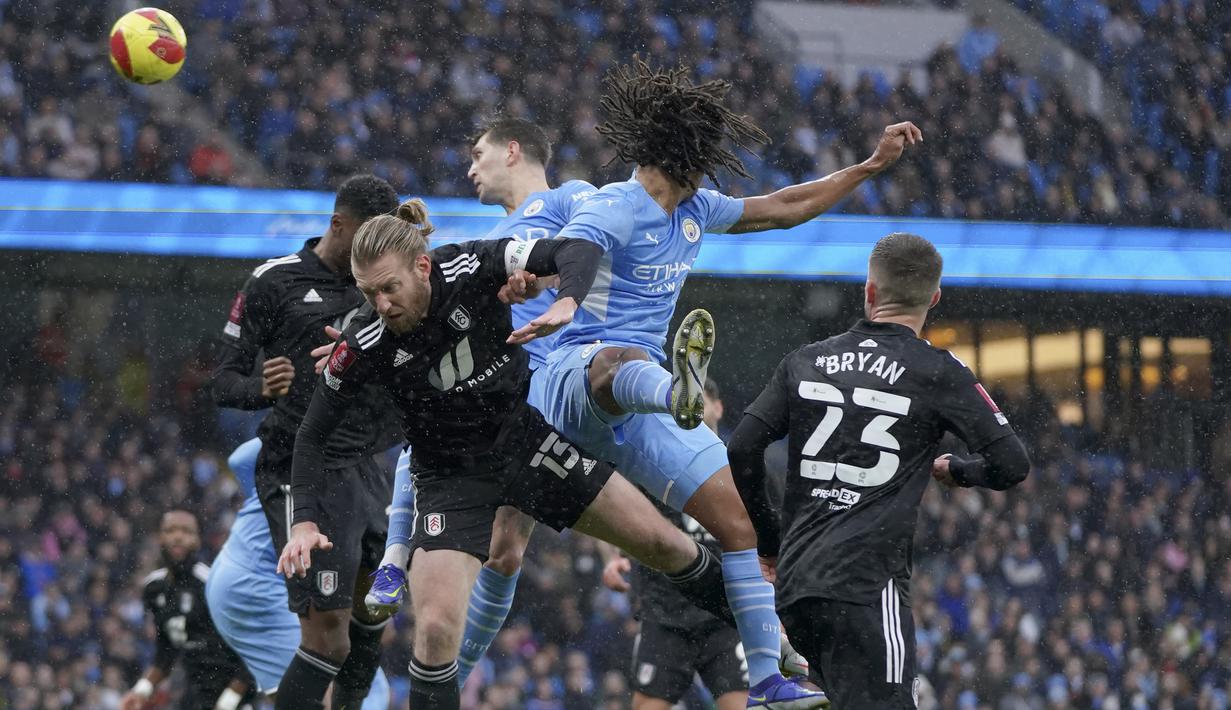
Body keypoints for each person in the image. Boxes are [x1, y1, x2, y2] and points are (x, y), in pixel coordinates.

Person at [280, 201, 816, 710]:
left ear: (423, 266)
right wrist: (304, 522)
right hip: (449, 480)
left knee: (665, 544)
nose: (382, 304)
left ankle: (776, 645)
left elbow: (568, 251)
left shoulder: (470, 265)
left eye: (389, 289)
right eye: (368, 293)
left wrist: (566, 300)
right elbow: (311, 437)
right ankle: (399, 558)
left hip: (527, 443)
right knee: (438, 629)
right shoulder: (365, 341)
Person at [513, 58, 919, 703]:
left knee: (736, 527)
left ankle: (767, 681)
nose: (712, 167)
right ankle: (674, 391)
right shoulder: (619, 205)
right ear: (689, 154)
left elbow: (785, 208)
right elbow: (579, 247)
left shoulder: (696, 207)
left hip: (638, 399)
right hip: (569, 377)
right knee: (618, 360)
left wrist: (869, 166)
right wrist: (567, 299)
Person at [726, 232, 1031, 709]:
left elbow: (743, 447)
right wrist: (961, 471)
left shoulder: (806, 361)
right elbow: (1012, 464)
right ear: (934, 298)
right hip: (867, 588)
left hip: (798, 589)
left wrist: (770, 541)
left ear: (869, 291)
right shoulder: (937, 370)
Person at [363, 117, 595, 687]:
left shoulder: (570, 198)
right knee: (501, 550)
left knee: (504, 548)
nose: (470, 168)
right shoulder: (486, 241)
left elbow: (591, 245)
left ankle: (445, 660)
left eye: (478, 154)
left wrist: (552, 288)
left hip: (546, 380)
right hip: (492, 383)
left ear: (512, 150)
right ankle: (403, 575)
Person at [209, 174, 402, 709]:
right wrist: (259, 389)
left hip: (369, 466)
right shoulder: (274, 282)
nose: (375, 255)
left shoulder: (383, 283)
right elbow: (223, 381)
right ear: (338, 225)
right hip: (302, 467)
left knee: (373, 618)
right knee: (327, 635)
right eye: (367, 240)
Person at [204, 438, 390, 708]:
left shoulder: (295, 453)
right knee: (342, 679)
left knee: (350, 680)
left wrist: (268, 495)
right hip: (257, 581)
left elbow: (240, 459)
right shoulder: (330, 447)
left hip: (238, 571)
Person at [601, 379, 750, 710]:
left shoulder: (744, 465)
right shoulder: (652, 462)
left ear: (718, 407)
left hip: (727, 615)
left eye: (702, 401)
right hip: (664, 614)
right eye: (687, 401)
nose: (695, 408)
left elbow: (770, 532)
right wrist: (614, 557)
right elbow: (615, 509)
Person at [120, 510, 253, 710]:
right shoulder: (154, 588)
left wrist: (229, 701)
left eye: (186, 531)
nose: (178, 536)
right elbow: (166, 650)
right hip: (194, 692)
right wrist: (141, 690)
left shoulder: (212, 585)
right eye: (170, 530)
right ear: (160, 538)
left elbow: (252, 647)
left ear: (198, 540)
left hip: (235, 692)